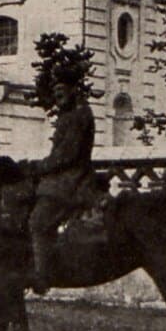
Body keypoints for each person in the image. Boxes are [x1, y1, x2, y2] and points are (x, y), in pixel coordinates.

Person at [24, 66, 95, 295]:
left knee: (38, 221)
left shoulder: (78, 115)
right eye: (55, 91)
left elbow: (67, 155)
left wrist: (38, 167)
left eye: (62, 90)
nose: (58, 95)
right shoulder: (69, 114)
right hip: (63, 176)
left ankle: (42, 276)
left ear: (75, 89)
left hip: (72, 179)